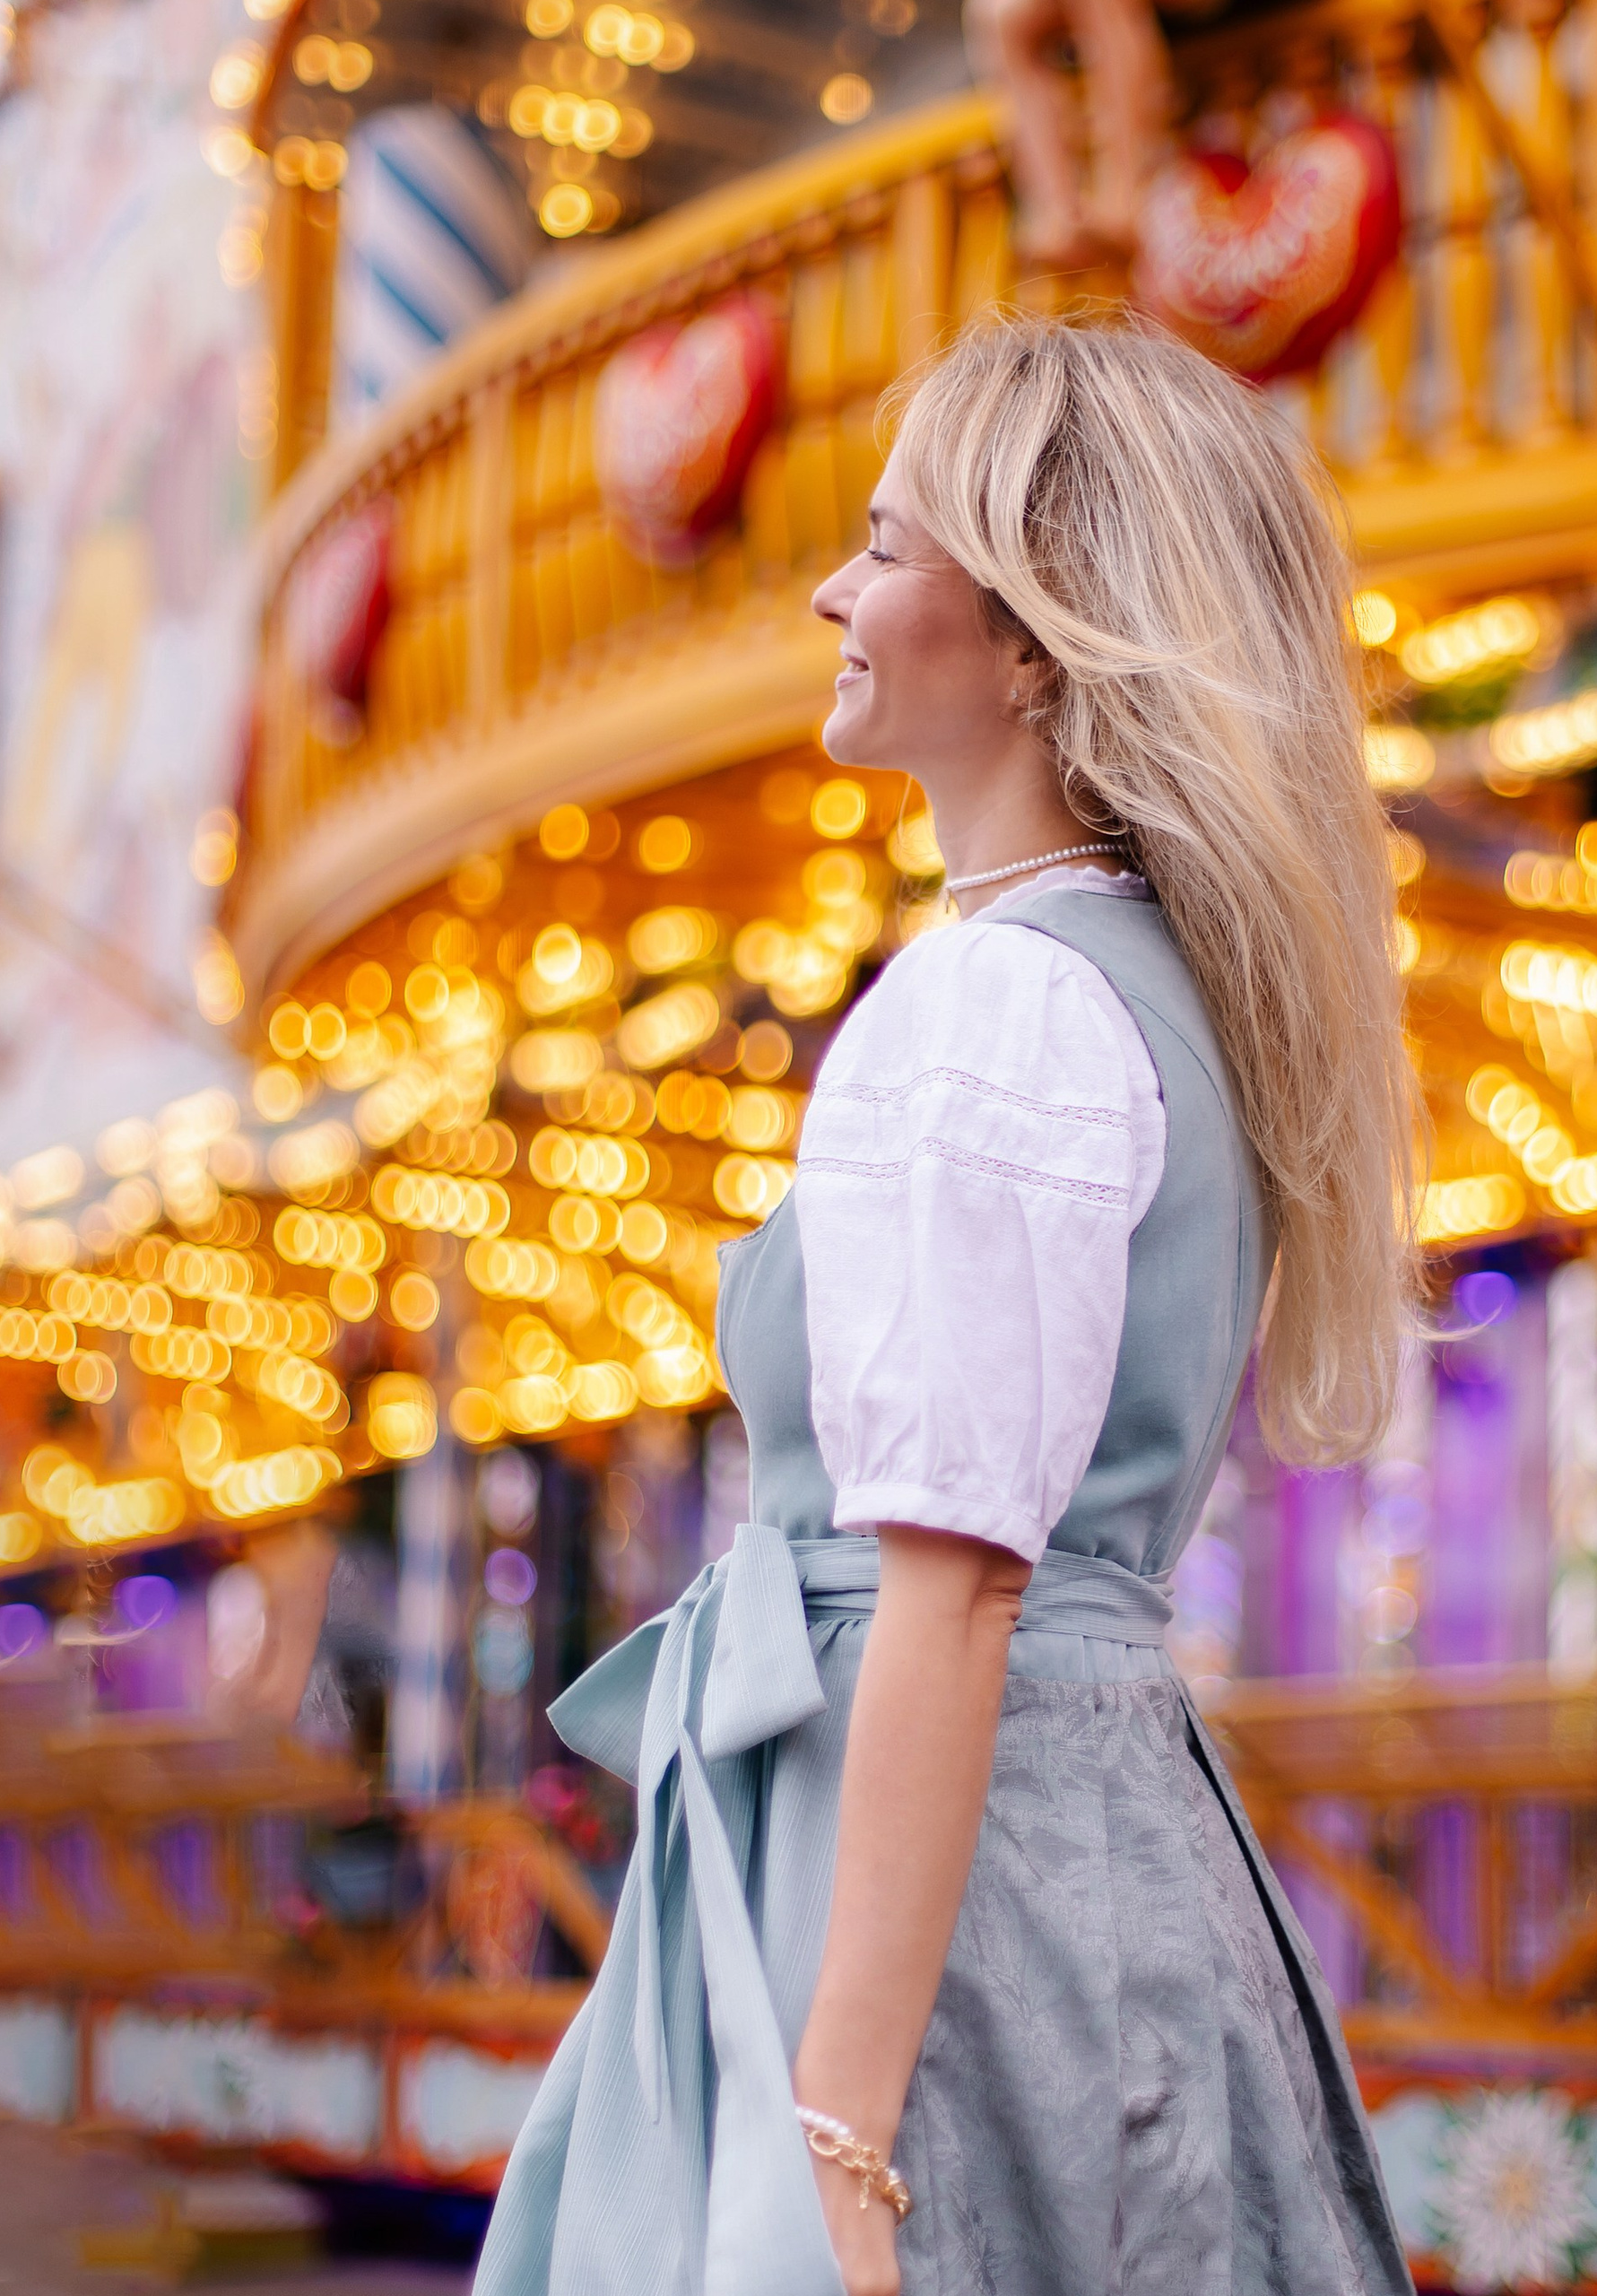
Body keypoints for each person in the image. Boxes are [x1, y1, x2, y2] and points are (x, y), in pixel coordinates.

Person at [473, 311, 1419, 2296]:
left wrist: (832, 2126)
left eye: (890, 545)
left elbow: (957, 1584)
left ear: (1028, 637)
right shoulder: (1141, 984)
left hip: (935, 1862)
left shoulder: (995, 1003)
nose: (831, 583)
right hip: (1092, 1827)